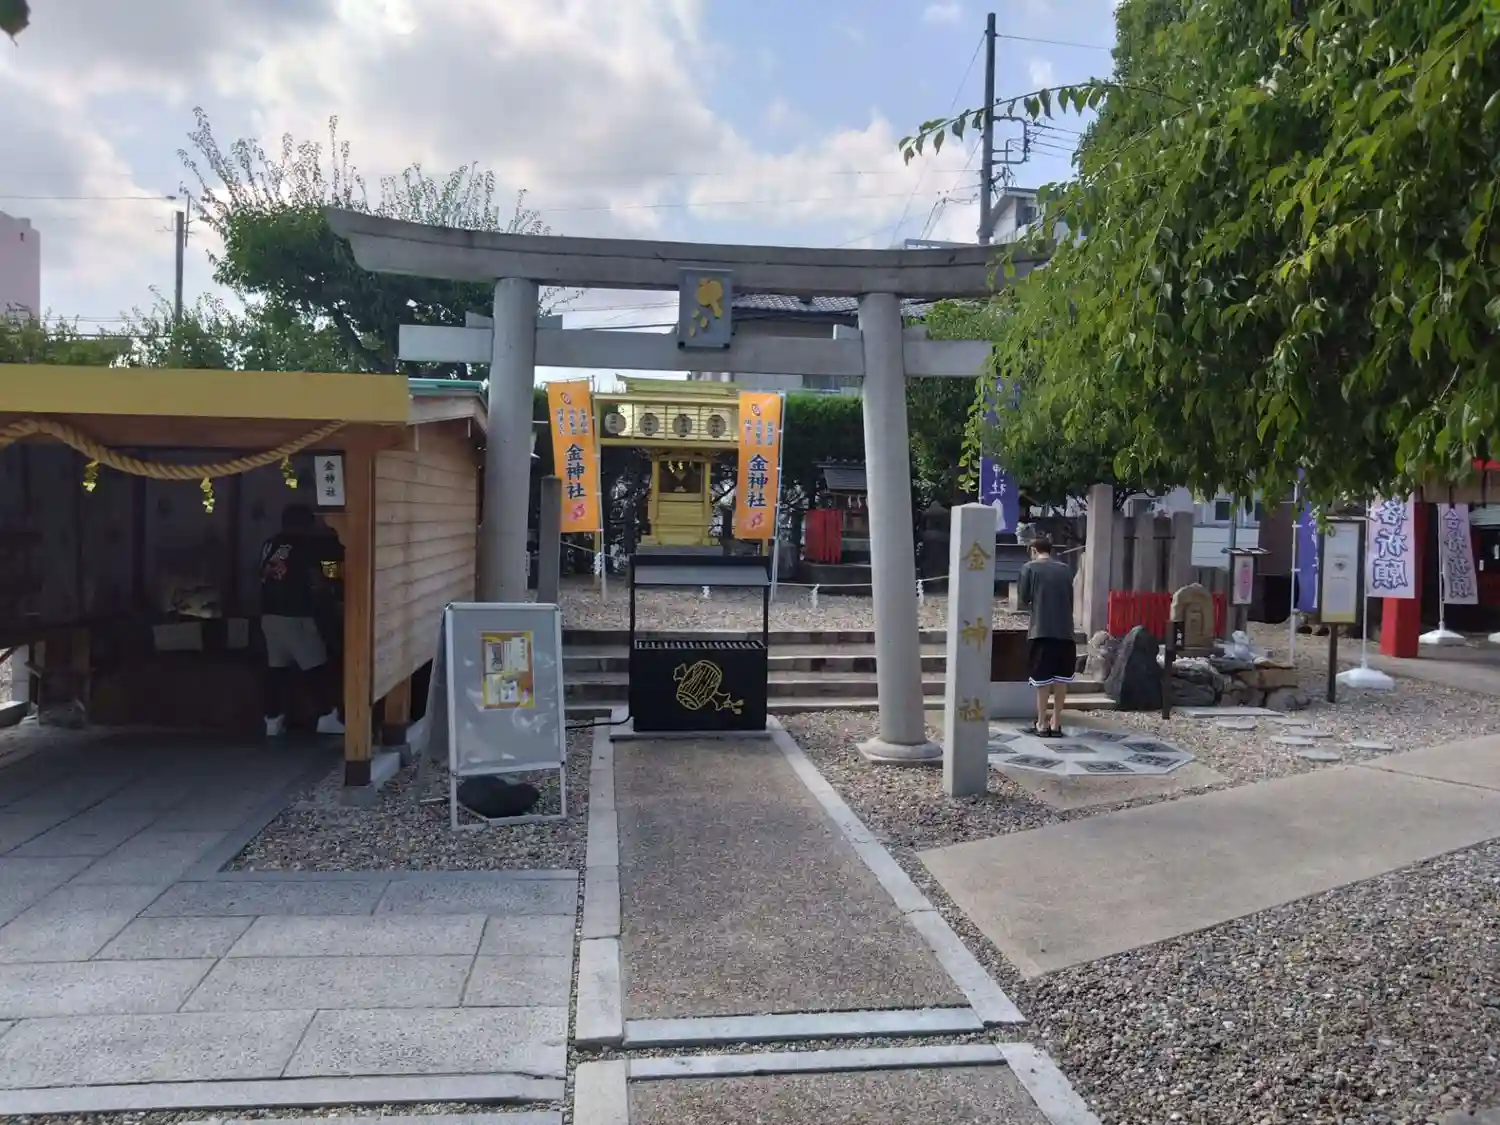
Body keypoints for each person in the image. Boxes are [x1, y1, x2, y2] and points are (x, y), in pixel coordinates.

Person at [259, 503, 345, 737]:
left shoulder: (270, 544)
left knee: (276, 669)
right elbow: (319, 577)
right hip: (295, 615)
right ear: (307, 523)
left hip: (269, 615)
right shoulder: (307, 545)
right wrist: (333, 591)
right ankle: (326, 717)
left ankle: (272, 719)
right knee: (316, 667)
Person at [1017, 534, 1076, 737]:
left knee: (1042, 681)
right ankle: (1056, 722)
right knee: (1061, 679)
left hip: (1041, 631)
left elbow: (1023, 598)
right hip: (1066, 632)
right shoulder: (1066, 569)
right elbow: (1070, 598)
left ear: (1033, 551)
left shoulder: (1029, 568)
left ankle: (1041, 723)